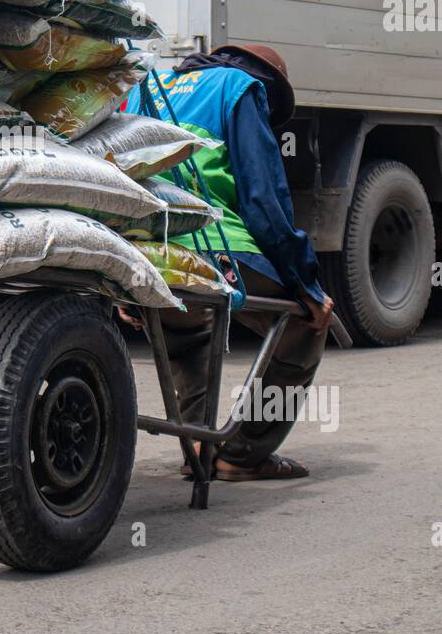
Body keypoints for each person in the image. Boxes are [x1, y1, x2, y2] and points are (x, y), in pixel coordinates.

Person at [122, 43, 334, 481]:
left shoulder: (150, 86)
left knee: (188, 323)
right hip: (215, 246)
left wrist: (121, 273)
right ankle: (240, 456)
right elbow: (264, 200)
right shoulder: (243, 88)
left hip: (148, 249)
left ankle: (197, 444)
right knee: (303, 324)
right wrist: (307, 287)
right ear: (269, 85)